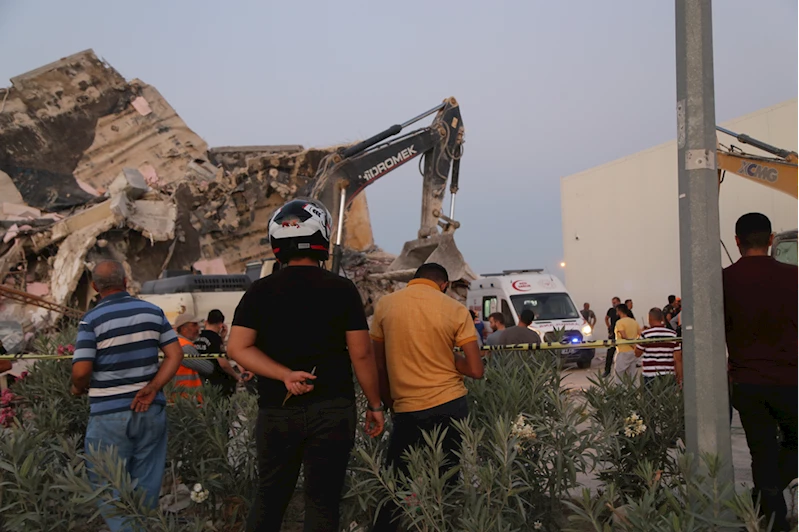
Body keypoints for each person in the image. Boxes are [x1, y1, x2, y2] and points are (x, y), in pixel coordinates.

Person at [227, 198, 384, 532]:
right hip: (331, 409)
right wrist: (375, 404)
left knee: (270, 497)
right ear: (322, 238)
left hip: (277, 410)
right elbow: (361, 354)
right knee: (322, 501)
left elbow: (237, 347)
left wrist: (283, 374)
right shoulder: (342, 290)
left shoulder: (260, 291)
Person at [71, 260, 184, 532]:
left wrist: (77, 387)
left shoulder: (92, 320)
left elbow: (82, 369)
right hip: (150, 409)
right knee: (146, 486)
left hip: (109, 416)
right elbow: (175, 354)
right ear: (125, 282)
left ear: (96, 287)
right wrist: (153, 386)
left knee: (109, 486)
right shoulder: (152, 312)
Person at [370, 262, 483, 532]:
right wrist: (448, 356)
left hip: (407, 408)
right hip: (450, 405)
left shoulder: (386, 305)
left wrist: (388, 403)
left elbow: (379, 365)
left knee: (395, 479)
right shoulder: (454, 309)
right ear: (443, 285)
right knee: (448, 479)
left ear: (414, 279)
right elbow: (476, 370)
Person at [723, 212, 797, 531]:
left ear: (737, 241)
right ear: (771, 240)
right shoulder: (794, 276)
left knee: (762, 451)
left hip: (746, 382)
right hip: (790, 380)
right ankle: (764, 502)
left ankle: (769, 513)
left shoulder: (722, 280)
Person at [194, 309, 250, 397]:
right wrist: (235, 376)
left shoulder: (198, 338)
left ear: (206, 322)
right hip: (218, 383)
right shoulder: (215, 338)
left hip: (203, 381)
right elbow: (222, 362)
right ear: (221, 325)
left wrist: (222, 338)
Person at [634, 308, 682, 388]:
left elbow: (637, 353)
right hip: (668, 374)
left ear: (649, 318)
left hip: (650, 375)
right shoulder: (672, 334)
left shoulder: (646, 335)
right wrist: (680, 378)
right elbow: (678, 359)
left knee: (650, 399)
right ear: (662, 318)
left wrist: (639, 336)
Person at [172, 313, 215, 399]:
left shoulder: (175, 344)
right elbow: (208, 368)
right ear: (184, 329)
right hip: (188, 397)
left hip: (181, 396)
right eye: (194, 325)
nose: (198, 328)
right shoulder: (185, 347)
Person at [613, 303, 641, 385]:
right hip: (633, 352)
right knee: (632, 375)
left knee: (619, 374)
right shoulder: (634, 322)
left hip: (623, 351)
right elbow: (640, 334)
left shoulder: (619, 322)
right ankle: (634, 393)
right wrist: (634, 345)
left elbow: (623, 335)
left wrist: (630, 343)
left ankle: (620, 393)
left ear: (619, 311)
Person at [603, 297, 622, 377]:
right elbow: (606, 318)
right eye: (613, 302)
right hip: (613, 334)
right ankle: (607, 371)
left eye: (615, 302)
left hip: (621, 334)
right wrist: (609, 327)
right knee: (610, 352)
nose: (613, 304)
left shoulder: (623, 310)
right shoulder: (611, 310)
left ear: (619, 302)